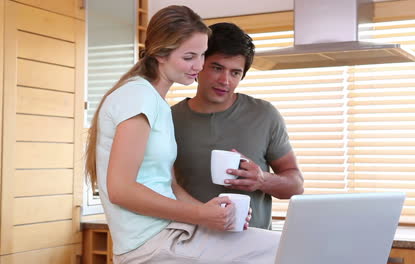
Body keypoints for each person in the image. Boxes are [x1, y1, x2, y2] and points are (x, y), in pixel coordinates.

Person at [85, 6, 280, 264]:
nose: (198, 66)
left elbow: (170, 186)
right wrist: (201, 216)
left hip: (173, 233)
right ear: (161, 53)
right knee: (292, 248)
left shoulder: (158, 104)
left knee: (288, 245)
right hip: (150, 245)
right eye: (189, 57)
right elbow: (120, 190)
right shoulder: (137, 97)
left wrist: (213, 214)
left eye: (201, 56)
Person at [172, 22, 304, 230]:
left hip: (253, 249)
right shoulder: (169, 119)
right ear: (198, 65)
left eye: (235, 73)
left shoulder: (264, 114)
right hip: (190, 244)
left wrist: (262, 180)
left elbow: (295, 185)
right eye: (217, 68)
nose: (225, 80)